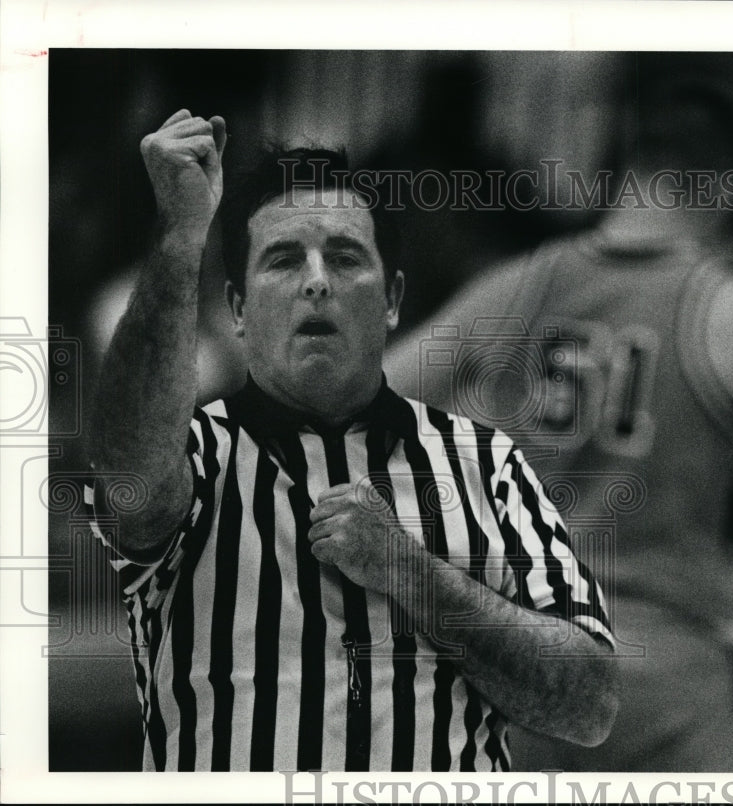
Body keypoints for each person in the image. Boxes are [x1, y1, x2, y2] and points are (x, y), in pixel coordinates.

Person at [383, 85, 733, 770]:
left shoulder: (514, 286)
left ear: (627, 174)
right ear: (725, 191)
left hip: (514, 662)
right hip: (667, 686)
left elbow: (351, 404)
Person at [85, 109, 617, 772]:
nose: (317, 279)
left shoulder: (485, 463)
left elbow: (589, 706)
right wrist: (179, 238)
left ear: (392, 300)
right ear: (239, 310)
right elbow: (125, 462)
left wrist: (409, 571)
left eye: (344, 257)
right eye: (283, 260)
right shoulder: (196, 456)